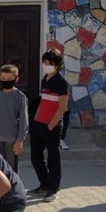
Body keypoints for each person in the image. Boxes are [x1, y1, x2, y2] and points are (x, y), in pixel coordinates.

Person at [29, 49, 68, 202]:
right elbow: (42, 101)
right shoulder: (44, 79)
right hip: (38, 124)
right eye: (44, 63)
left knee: (53, 158)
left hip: (52, 126)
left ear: (57, 65)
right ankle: (44, 184)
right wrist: (35, 120)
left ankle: (53, 189)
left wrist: (51, 125)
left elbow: (62, 107)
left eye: (49, 63)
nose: (46, 66)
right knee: (36, 157)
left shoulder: (61, 82)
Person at [0, 64, 29, 172]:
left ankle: (13, 189)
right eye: (3, 79)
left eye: (10, 79)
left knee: (11, 170)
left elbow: (24, 120)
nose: (6, 81)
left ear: (16, 79)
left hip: (12, 140)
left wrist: (20, 140)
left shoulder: (20, 97)